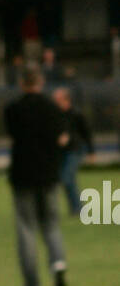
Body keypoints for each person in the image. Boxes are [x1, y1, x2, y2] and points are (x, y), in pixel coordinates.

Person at [3, 64, 70, 286]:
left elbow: (13, 135)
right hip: (49, 175)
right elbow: (62, 139)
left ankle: (32, 284)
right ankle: (58, 263)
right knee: (51, 224)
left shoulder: (13, 109)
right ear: (40, 82)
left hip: (22, 176)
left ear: (22, 83)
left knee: (27, 228)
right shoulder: (52, 108)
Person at [52, 87, 94, 215]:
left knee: (65, 178)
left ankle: (67, 208)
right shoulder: (55, 115)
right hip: (60, 152)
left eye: (57, 99)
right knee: (70, 181)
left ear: (65, 99)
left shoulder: (76, 114)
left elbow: (86, 133)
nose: (55, 102)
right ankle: (77, 208)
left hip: (75, 150)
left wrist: (92, 152)